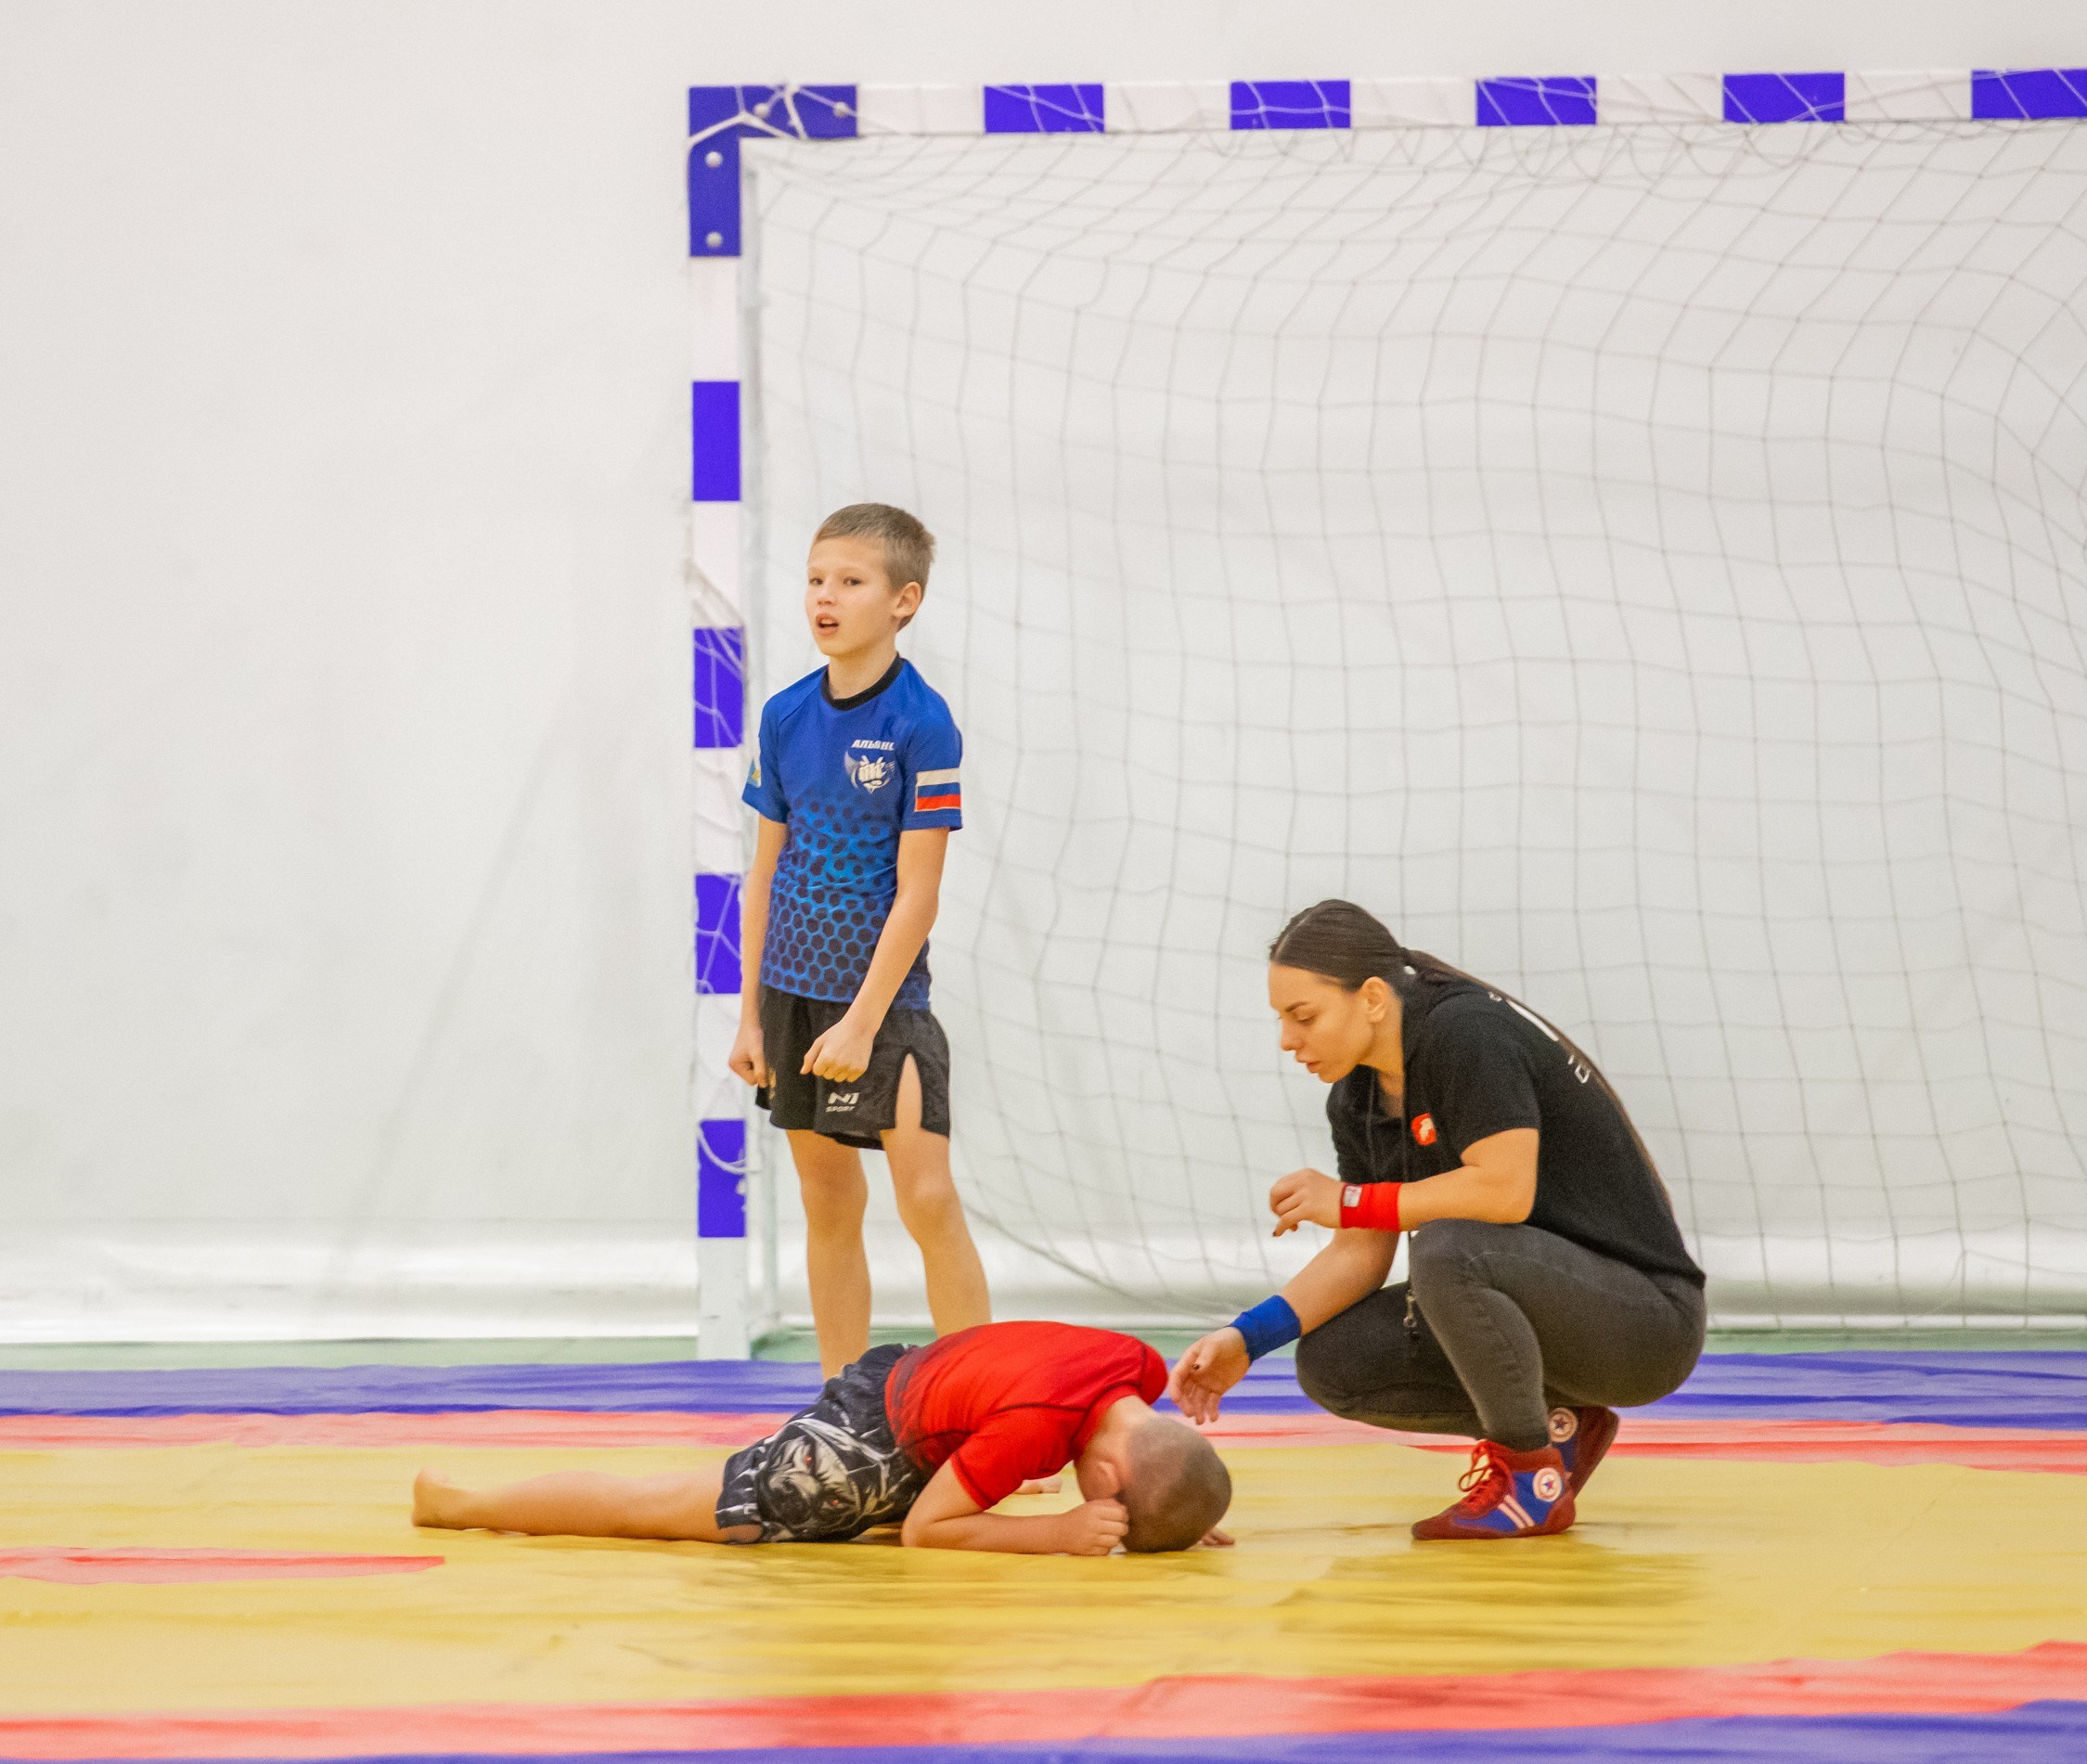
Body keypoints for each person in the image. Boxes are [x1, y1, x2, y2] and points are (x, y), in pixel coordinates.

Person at [1169, 900, 1706, 1541]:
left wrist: (1347, 1200)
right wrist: (1245, 1339)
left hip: (1645, 1326)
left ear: (1372, 997)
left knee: (1449, 1247)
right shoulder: (1357, 1097)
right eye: (1281, 1019)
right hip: (1551, 1313)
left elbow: (1504, 1191)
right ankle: (1558, 1426)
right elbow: (1359, 1254)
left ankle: (1528, 1481)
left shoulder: (1465, 1032)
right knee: (1333, 1361)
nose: (1288, 1039)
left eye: (1303, 1016)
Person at [728, 503, 990, 1374]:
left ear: (903, 600)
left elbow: (919, 893)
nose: (824, 597)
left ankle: (985, 1401)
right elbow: (764, 872)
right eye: (814, 580)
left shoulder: (923, 722)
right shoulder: (784, 716)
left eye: (849, 581)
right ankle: (838, 1401)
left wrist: (863, 1021)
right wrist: (750, 1017)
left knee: (927, 1197)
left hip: (882, 1005)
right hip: (791, 996)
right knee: (828, 1203)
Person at [411, 1321, 1233, 1556]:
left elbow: (1161, 1460)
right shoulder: (1037, 1428)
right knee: (657, 1506)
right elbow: (927, 1531)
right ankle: (459, 1505)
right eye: (1113, 1506)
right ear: (1105, 1474)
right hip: (862, 1454)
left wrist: (1176, 1510)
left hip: (903, 1377)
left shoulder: (1137, 1366)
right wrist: (1055, 1532)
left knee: (668, 1498)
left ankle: (467, 1500)